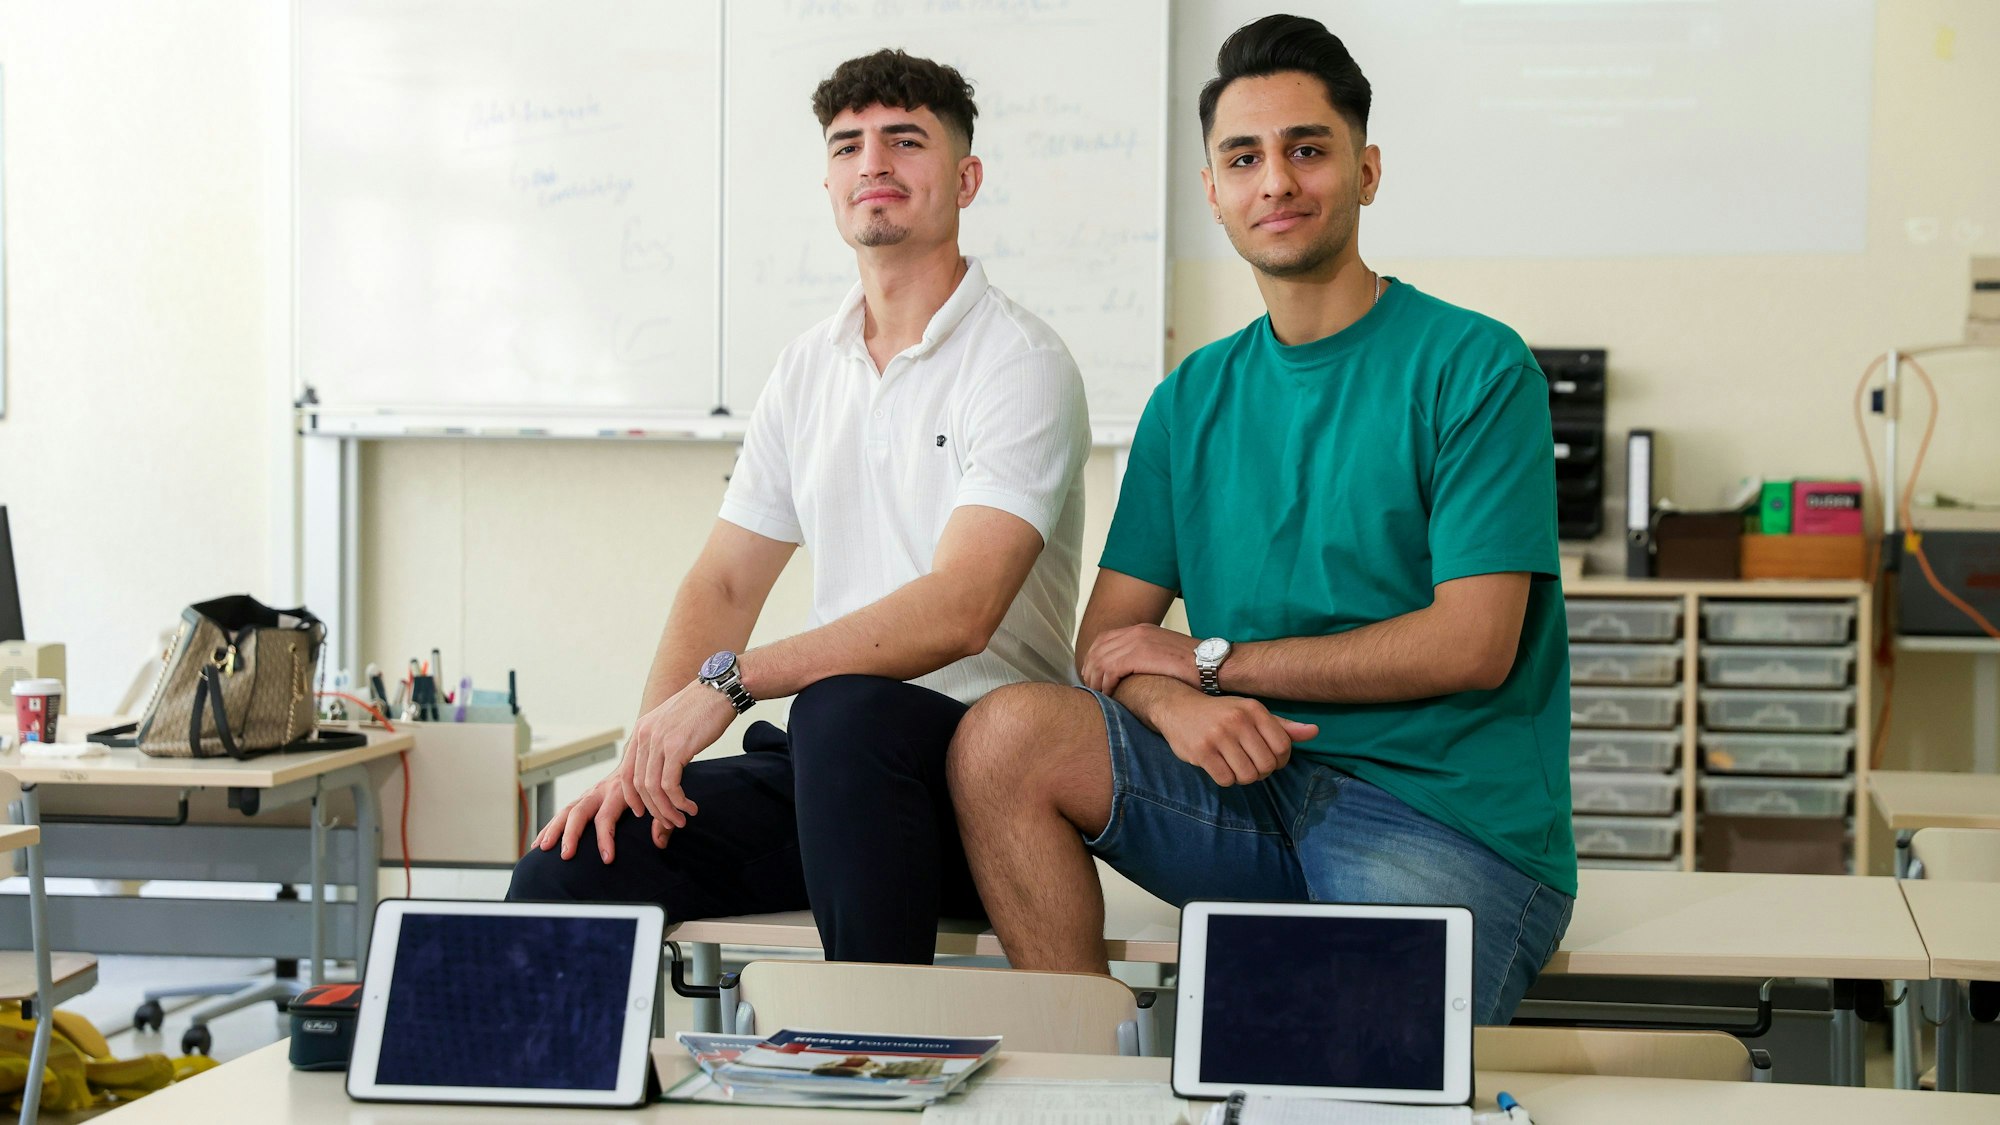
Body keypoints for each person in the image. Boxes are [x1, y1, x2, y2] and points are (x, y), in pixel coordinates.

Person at [945, 14, 1574, 1023]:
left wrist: (1211, 665)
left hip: (1436, 820)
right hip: (1239, 792)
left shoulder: (1472, 366)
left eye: (1306, 150)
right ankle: (1088, 1060)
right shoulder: (1188, 399)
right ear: (1213, 192)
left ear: (1365, 172)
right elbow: (1105, 643)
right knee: (1000, 739)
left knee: (1341, 1078)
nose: (1273, 181)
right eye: (1243, 158)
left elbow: (1473, 644)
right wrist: (1178, 705)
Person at [508, 48, 1090, 966]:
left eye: (906, 140)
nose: (875, 164)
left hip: (979, 782)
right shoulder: (807, 367)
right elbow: (727, 579)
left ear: (965, 178)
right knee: (574, 860)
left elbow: (964, 607)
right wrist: (645, 761)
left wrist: (729, 683)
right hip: (829, 777)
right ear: (828, 180)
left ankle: (867, 1066)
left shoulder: (1021, 362)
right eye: (849, 144)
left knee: (844, 711)